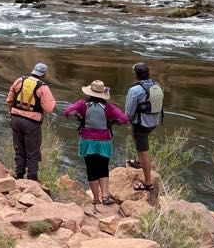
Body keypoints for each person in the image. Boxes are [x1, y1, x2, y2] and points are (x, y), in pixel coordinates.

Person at [64, 80, 129, 207]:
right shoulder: (109, 107)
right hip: (104, 142)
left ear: (90, 93)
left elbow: (68, 111)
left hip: (87, 141)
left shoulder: (82, 104)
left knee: (91, 169)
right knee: (103, 168)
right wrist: (113, 122)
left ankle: (95, 198)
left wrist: (78, 118)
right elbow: (125, 119)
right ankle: (105, 195)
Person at [6, 63, 57, 181]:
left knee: (19, 150)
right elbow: (49, 109)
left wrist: (11, 114)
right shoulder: (43, 88)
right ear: (43, 74)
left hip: (16, 119)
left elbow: (9, 100)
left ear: (33, 71)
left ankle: (19, 176)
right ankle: (32, 179)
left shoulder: (19, 81)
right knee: (33, 152)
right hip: (32, 123)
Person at [124, 62, 164, 192]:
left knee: (143, 150)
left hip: (141, 123)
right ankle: (137, 162)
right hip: (154, 121)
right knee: (139, 140)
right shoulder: (158, 86)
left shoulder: (134, 90)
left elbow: (129, 112)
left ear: (136, 76)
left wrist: (124, 121)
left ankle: (148, 183)